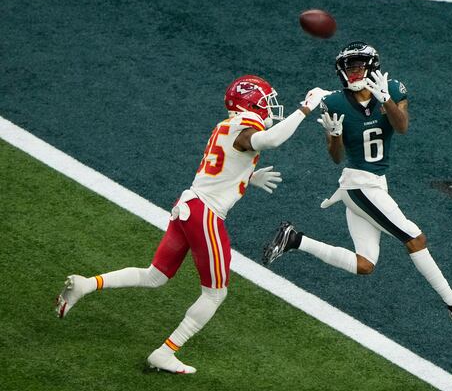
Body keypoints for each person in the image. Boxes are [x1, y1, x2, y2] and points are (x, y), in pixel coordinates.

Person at [55, 75, 330, 373]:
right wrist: (305, 108)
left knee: (155, 276)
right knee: (215, 293)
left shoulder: (225, 127)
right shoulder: (242, 127)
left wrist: (248, 177)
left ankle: (87, 284)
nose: (269, 107)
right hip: (205, 215)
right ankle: (165, 352)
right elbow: (271, 140)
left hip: (188, 205)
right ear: (250, 103)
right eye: (264, 101)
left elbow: (222, 168)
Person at [263, 42, 452, 323]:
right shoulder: (334, 102)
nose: (353, 73)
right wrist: (335, 135)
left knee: (365, 264)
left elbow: (402, 127)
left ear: (372, 67)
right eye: (348, 68)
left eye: (358, 66)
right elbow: (336, 157)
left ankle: (295, 239)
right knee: (414, 238)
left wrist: (385, 99)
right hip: (358, 185)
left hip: (374, 184)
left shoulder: (393, 89)